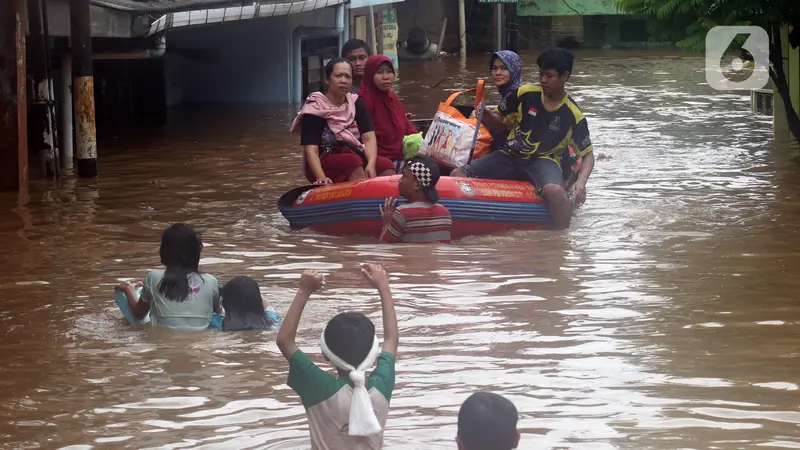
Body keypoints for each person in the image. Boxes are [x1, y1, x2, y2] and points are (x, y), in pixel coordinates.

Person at [451, 47, 595, 230]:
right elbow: (500, 122)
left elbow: (588, 155)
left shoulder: (573, 115)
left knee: (556, 193)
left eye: (549, 76)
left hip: (544, 160)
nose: (543, 80)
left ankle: (560, 243)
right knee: (458, 175)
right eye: (541, 74)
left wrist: (581, 182)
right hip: (510, 154)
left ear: (565, 76)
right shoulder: (524, 94)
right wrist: (486, 115)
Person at [276, 264, 398, 450]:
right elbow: (391, 338)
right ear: (374, 356)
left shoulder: (319, 387)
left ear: (325, 354)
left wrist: (304, 290)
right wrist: (383, 286)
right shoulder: (382, 386)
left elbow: (285, 341)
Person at [290, 58, 395, 184]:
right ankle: (359, 201)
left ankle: (389, 201)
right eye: (338, 76)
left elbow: (369, 137)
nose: (343, 81)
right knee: (353, 163)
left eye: (347, 77)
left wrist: (371, 164)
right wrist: (321, 177)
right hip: (324, 159)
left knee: (386, 165)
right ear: (327, 79)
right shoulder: (315, 108)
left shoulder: (356, 103)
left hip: (354, 154)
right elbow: (312, 150)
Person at [115, 223, 221, 331]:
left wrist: (129, 289)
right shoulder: (211, 282)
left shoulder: (153, 278)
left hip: (162, 341)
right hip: (201, 342)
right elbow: (217, 314)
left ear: (163, 252)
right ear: (196, 253)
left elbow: (139, 314)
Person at [358, 55, 419, 167]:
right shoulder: (364, 99)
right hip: (378, 157)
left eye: (389, 71)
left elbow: (406, 125)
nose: (386, 77)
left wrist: (420, 140)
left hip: (399, 154)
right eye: (380, 72)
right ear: (370, 75)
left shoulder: (392, 97)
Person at [380, 155, 452, 244]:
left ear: (417, 185)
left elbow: (384, 245)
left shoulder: (402, 213)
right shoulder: (445, 213)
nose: (399, 180)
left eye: (404, 176)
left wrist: (387, 223)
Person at [209, 276, 282, 331]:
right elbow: (267, 305)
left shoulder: (218, 323)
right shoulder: (272, 319)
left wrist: (222, 292)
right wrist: (252, 293)